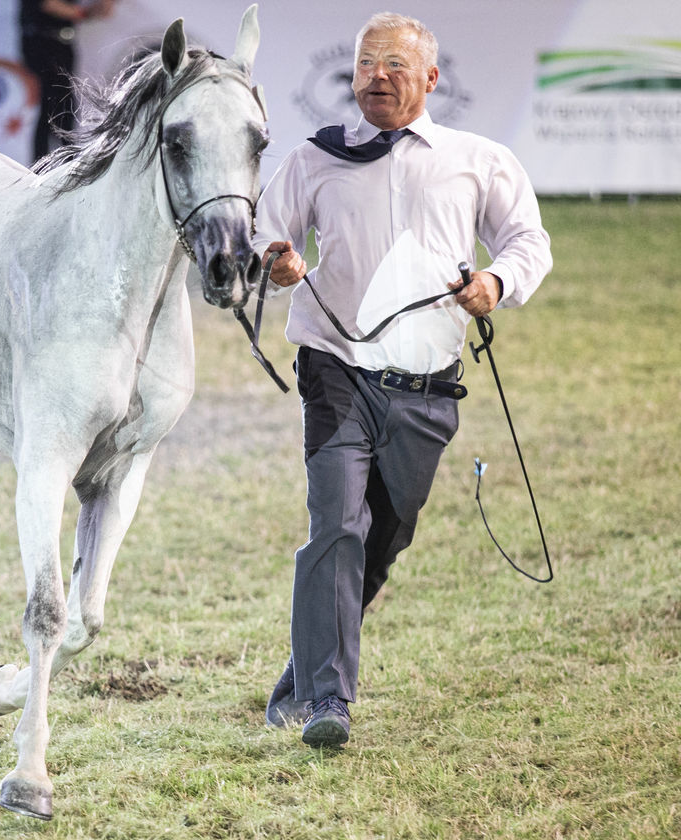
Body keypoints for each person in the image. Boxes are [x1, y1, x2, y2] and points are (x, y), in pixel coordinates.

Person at [253, 12, 552, 748]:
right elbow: (266, 227)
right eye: (364, 65)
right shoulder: (315, 158)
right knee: (337, 526)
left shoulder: (478, 158)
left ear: (430, 79)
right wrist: (278, 259)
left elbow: (528, 241)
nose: (375, 77)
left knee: (383, 539)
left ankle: (301, 676)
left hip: (427, 389)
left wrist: (496, 281)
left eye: (393, 65)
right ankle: (328, 703)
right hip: (335, 371)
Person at [18, 0, 116, 164]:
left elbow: (98, 11)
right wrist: (82, 13)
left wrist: (100, 7)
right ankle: (46, 164)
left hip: (63, 44)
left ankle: (63, 162)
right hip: (40, 42)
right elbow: (49, 4)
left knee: (63, 105)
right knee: (53, 103)